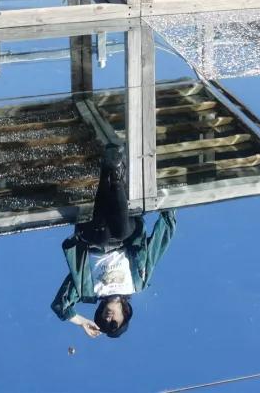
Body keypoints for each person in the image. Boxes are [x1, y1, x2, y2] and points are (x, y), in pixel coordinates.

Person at [51, 144, 177, 339]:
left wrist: (82, 322)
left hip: (92, 235)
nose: (108, 318)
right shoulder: (137, 283)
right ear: (125, 314)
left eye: (104, 321)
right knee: (119, 231)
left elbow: (60, 306)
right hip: (125, 231)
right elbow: (156, 250)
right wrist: (168, 209)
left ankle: (112, 170)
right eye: (114, 322)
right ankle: (113, 172)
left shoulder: (88, 291)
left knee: (102, 234)